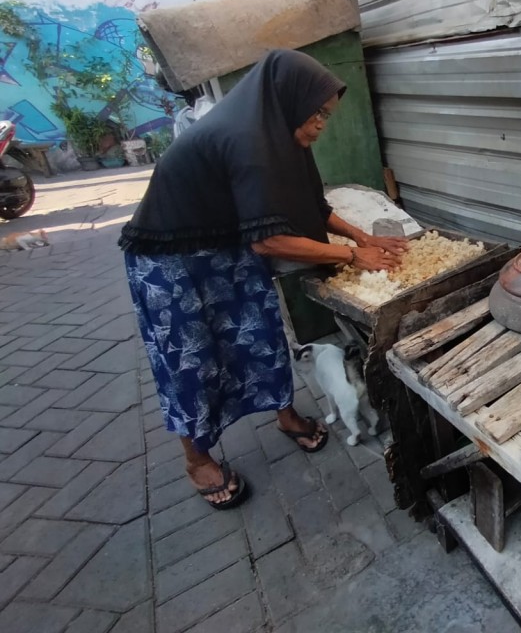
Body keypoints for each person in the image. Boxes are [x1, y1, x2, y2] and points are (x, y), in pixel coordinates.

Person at [119, 49, 407, 509]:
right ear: (288, 100)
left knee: (260, 336)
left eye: (327, 116)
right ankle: (197, 460)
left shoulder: (282, 138)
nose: (321, 125)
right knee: (192, 362)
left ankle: (286, 415)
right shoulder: (248, 139)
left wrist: (362, 237)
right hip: (172, 260)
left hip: (227, 247)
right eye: (318, 114)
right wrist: (355, 256)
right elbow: (269, 242)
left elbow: (315, 207)